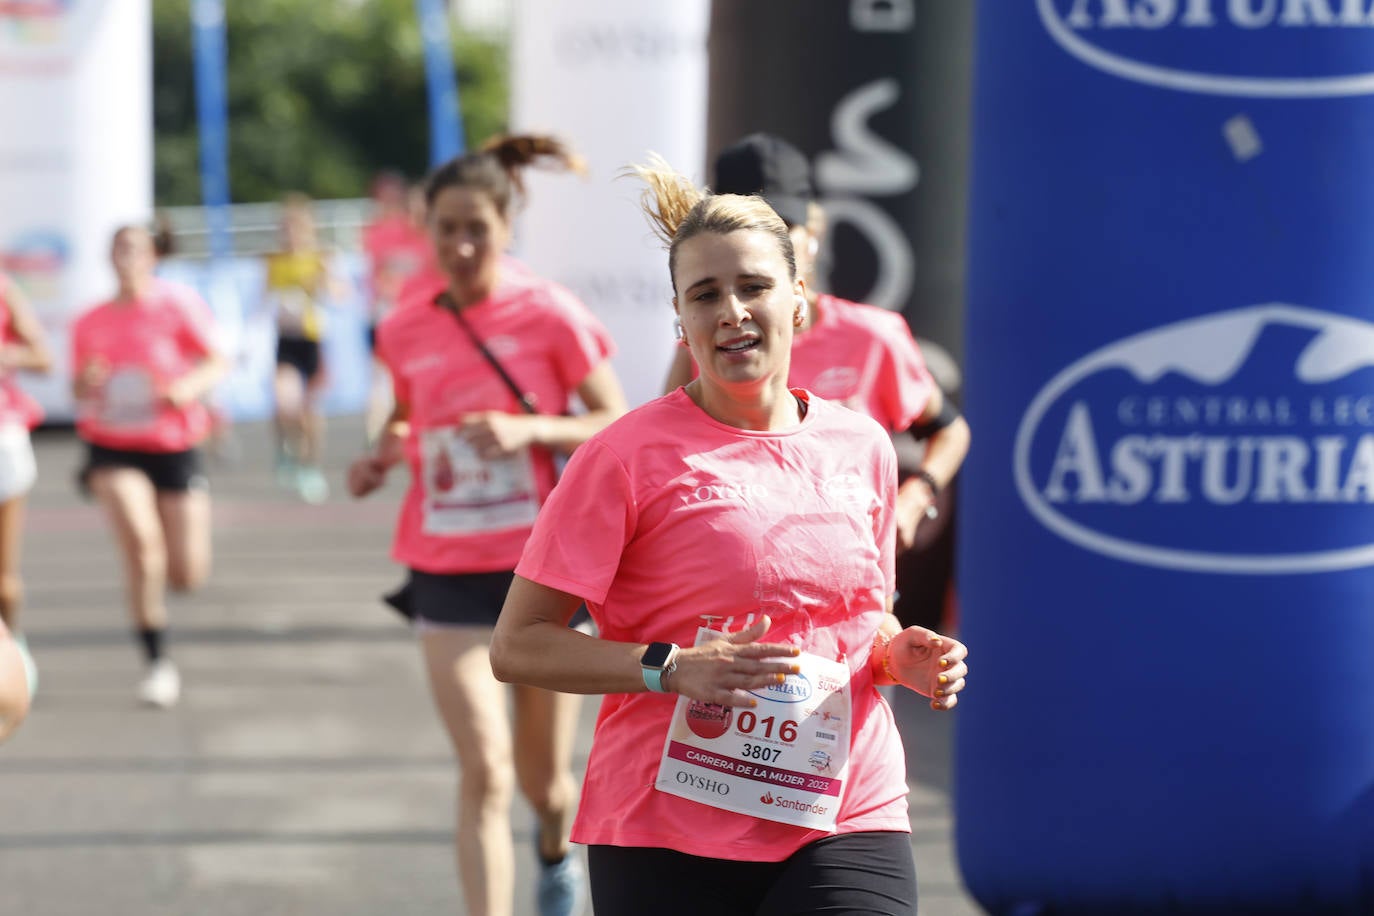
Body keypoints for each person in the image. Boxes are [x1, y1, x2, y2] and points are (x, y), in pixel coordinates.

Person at [490, 160, 969, 915]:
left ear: (799, 300)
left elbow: (862, 613)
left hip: (842, 806)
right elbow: (519, 643)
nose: (732, 311)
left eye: (753, 287)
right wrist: (670, 667)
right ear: (680, 321)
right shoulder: (625, 456)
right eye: (705, 295)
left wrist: (893, 651)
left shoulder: (864, 446)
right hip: (666, 826)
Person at [347, 133, 628, 916]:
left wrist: (528, 432)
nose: (463, 245)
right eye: (447, 230)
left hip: (538, 575)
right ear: (424, 229)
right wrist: (381, 458)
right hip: (442, 567)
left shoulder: (548, 314)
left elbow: (615, 421)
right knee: (487, 767)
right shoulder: (405, 326)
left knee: (545, 782)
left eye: (479, 228)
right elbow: (409, 419)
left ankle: (552, 848)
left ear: (508, 227)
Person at [663, 133, 971, 632]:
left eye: (783, 226)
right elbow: (668, 442)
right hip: (736, 598)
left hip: (850, 593)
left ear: (816, 229)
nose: (767, 246)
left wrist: (915, 499)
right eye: (749, 228)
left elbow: (950, 429)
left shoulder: (872, 335)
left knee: (860, 699)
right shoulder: (707, 342)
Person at [71, 226, 227, 708]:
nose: (126, 258)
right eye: (118, 248)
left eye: (135, 249)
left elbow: (217, 359)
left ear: (154, 256)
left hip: (173, 443)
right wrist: (87, 380)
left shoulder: (176, 304)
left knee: (186, 572)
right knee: (141, 547)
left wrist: (187, 388)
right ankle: (158, 663)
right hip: (112, 444)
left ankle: (172, 584)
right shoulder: (90, 320)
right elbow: (76, 389)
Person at [262, 196, 338, 503]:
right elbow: (261, 301)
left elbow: (340, 295)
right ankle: (284, 448)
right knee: (284, 401)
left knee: (310, 411)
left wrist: (321, 283)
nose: (291, 236)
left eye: (297, 230)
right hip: (286, 341)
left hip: (313, 342)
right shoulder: (274, 262)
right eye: (286, 230)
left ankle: (310, 465)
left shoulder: (321, 259)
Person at [0, 272, 50, 701]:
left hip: (4, 440)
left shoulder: (5, 289)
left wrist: (7, 354)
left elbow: (43, 357)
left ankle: (14, 649)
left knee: (4, 582)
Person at [362, 175, 432, 443]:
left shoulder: (435, 243)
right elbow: (375, 277)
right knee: (382, 378)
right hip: (390, 315)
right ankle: (376, 434)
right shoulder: (381, 232)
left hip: (421, 319)